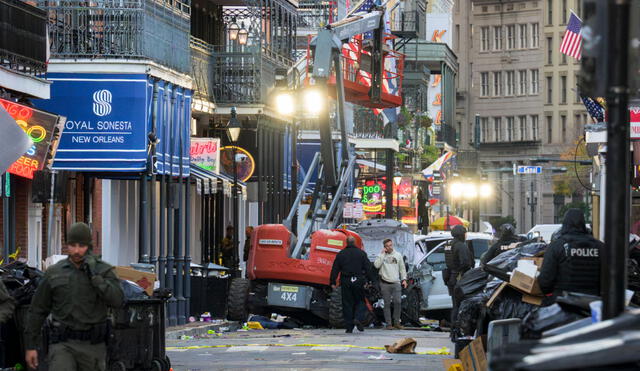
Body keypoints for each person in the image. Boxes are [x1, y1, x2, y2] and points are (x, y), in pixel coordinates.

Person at [24, 222, 124, 371]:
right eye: (72, 245)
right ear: (67, 245)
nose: (77, 250)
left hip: (93, 345)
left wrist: (96, 279)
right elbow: (38, 309)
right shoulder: (55, 272)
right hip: (63, 344)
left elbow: (118, 300)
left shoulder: (103, 270)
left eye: (81, 246)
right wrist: (30, 346)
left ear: (89, 246)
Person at [538, 208, 604, 296]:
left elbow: (545, 282)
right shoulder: (600, 247)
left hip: (563, 303)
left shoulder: (557, 246)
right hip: (592, 302)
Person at [329, 236, 375, 333]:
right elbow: (368, 268)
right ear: (354, 243)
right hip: (358, 280)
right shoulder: (361, 254)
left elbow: (335, 269)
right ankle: (358, 318)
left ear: (346, 243)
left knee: (347, 303)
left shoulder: (341, 254)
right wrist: (371, 281)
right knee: (360, 301)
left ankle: (349, 327)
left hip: (345, 281)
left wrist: (332, 282)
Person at [373, 238, 407, 329]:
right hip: (385, 283)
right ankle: (389, 324)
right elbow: (376, 265)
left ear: (393, 245)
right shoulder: (381, 255)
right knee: (387, 304)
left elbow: (402, 268)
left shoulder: (398, 255)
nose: (389, 247)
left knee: (398, 302)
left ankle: (396, 322)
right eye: (387, 246)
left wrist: (404, 279)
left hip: (396, 282)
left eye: (390, 245)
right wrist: (382, 254)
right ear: (384, 247)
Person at [443, 225, 474, 325]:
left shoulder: (448, 244)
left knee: (455, 305)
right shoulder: (460, 245)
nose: (466, 236)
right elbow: (465, 263)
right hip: (460, 278)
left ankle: (453, 328)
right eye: (465, 233)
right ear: (461, 234)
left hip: (451, 278)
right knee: (461, 305)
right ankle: (458, 328)